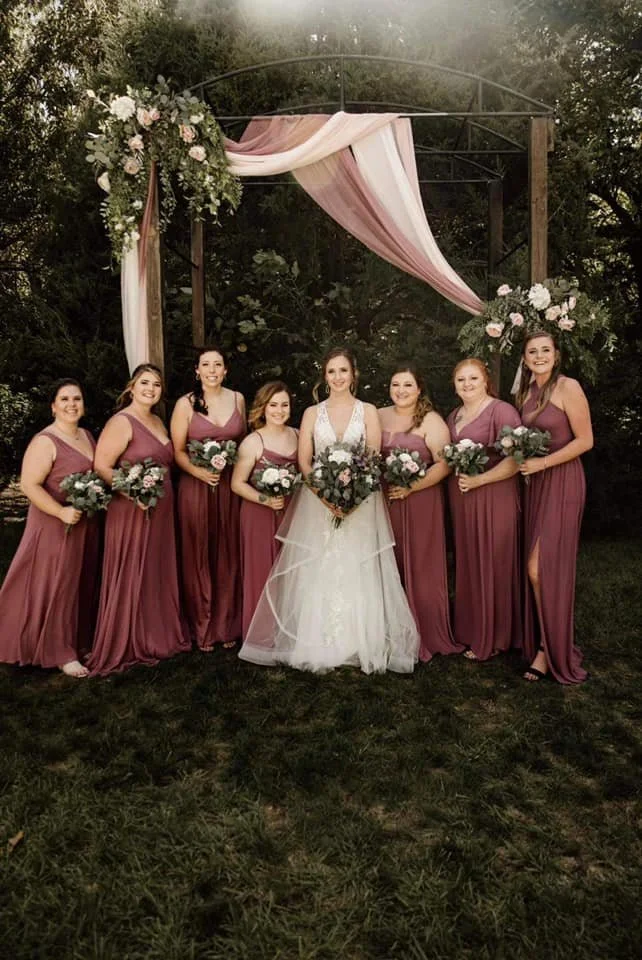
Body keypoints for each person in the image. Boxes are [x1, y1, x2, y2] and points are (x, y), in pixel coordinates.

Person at [239, 347, 419, 674]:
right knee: (319, 566)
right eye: (332, 372)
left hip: (360, 502)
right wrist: (326, 497)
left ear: (353, 375)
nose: (337, 377)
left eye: (343, 371)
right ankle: (316, 641)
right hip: (318, 500)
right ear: (325, 376)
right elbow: (305, 463)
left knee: (357, 564)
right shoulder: (311, 413)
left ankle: (359, 641)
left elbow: (373, 457)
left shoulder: (367, 411)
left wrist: (351, 497)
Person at [86, 364, 190, 676]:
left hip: (162, 508)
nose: (151, 389)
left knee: (156, 568)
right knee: (133, 566)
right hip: (133, 508)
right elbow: (102, 466)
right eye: (144, 383)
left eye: (156, 385)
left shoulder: (157, 419)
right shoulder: (121, 422)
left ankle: (156, 633)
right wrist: (133, 493)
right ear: (131, 387)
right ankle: (127, 638)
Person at [0, 379, 99, 677]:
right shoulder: (45, 440)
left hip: (83, 523)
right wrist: (61, 511)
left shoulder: (86, 435)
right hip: (54, 524)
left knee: (79, 582)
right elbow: (29, 485)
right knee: (57, 585)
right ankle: (60, 652)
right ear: (53, 406)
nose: (72, 404)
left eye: (77, 399)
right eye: (65, 399)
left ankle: (77, 640)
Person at [516, 331, 593, 683]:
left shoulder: (568, 387)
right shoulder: (524, 393)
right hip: (536, 485)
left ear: (556, 355)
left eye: (545, 350)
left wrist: (543, 465)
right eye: (533, 351)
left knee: (540, 568)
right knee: (534, 565)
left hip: (563, 481)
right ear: (525, 358)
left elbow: (586, 441)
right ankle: (543, 639)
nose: (539, 355)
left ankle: (550, 649)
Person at [378, 363, 462, 662]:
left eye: (407, 385)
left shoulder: (431, 421)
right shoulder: (379, 415)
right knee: (388, 563)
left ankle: (425, 631)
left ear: (419, 389)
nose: (400, 390)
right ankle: (389, 632)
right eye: (395, 384)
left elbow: (445, 463)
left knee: (421, 566)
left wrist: (412, 487)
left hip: (421, 501)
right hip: (385, 501)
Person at [446, 358, 521, 661]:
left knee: (493, 560)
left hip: (494, 493)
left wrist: (481, 480)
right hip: (462, 496)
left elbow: (517, 458)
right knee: (469, 559)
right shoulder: (454, 415)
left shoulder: (502, 410)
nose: (467, 385)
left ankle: (494, 637)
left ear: (486, 381)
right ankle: (470, 630)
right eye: (461, 380)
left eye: (473, 379)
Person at [171, 347, 246, 650]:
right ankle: (201, 626)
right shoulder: (185, 404)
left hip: (230, 486)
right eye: (206, 364)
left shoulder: (238, 399)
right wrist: (199, 473)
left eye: (218, 364)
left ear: (225, 370)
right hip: (196, 486)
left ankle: (227, 625)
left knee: (228, 551)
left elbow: (243, 444)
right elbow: (177, 450)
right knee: (198, 553)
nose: (212, 369)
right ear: (197, 370)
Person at [231, 381, 298, 639]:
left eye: (284, 405)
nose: (279, 410)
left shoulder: (299, 434)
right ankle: (260, 635)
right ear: (263, 407)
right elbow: (237, 484)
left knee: (290, 571)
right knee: (262, 571)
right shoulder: (252, 441)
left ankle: (287, 632)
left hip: (291, 513)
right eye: (273, 405)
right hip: (259, 514)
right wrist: (265, 499)